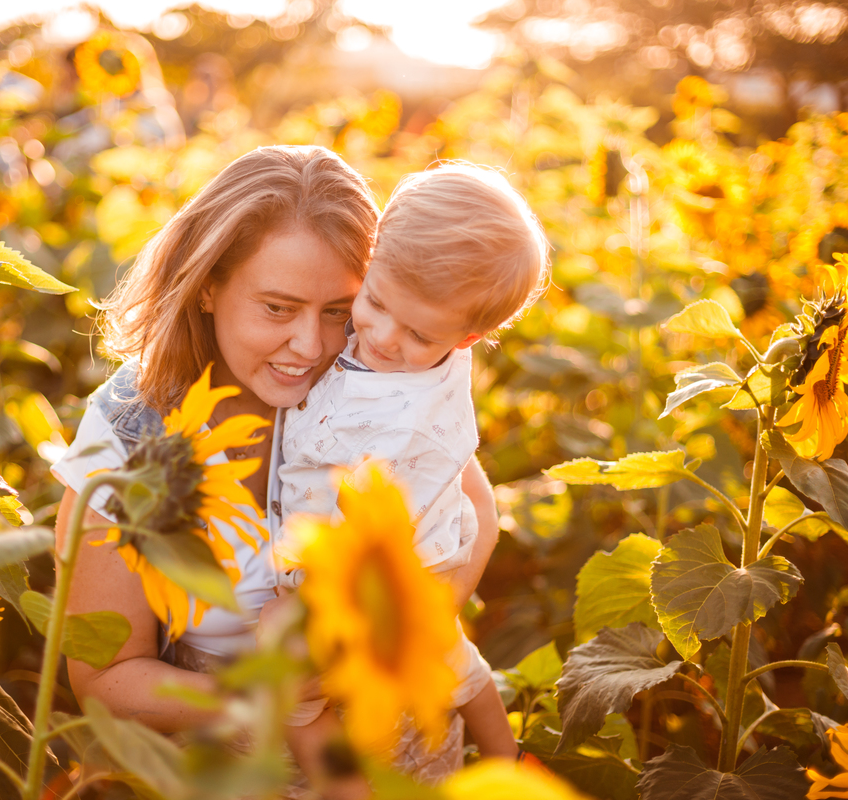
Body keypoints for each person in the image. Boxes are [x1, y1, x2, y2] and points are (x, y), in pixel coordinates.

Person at [50, 145, 502, 797]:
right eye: (277, 308)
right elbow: (105, 681)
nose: (311, 346)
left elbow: (476, 513)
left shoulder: (374, 368)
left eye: (337, 311)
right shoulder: (130, 436)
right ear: (208, 285)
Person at [272, 163, 550, 764]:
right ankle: (508, 758)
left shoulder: (404, 416)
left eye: (420, 334)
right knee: (464, 668)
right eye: (373, 300)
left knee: (296, 693)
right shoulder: (417, 350)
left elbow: (337, 507)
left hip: (390, 570)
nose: (384, 337)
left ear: (469, 338)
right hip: (427, 549)